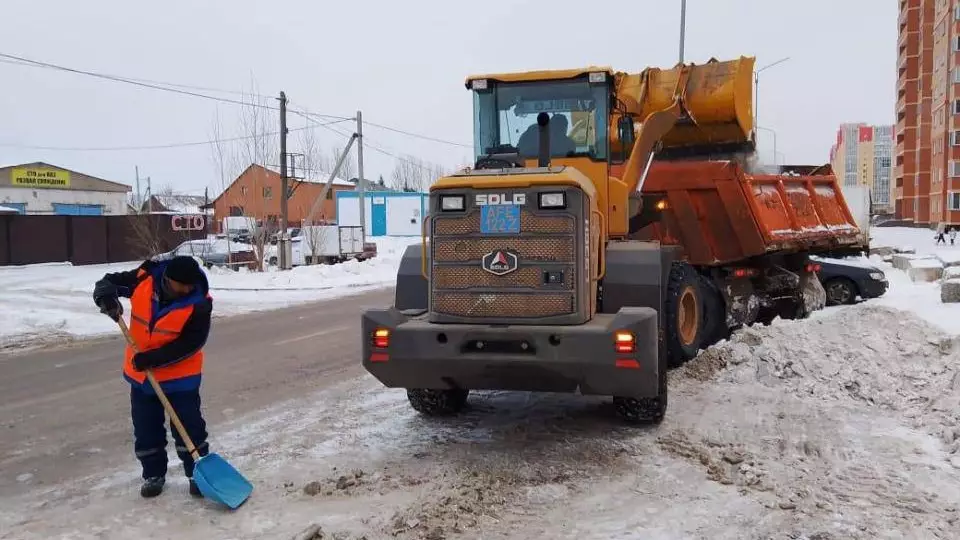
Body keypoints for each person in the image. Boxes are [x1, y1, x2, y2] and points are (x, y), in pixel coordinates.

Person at [92, 255, 213, 499]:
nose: (186, 290)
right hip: (142, 378)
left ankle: (197, 475)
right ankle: (153, 474)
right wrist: (106, 299)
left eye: (189, 286)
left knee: (189, 429)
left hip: (181, 378)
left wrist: (153, 359)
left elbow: (191, 343)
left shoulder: (199, 302)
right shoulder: (144, 279)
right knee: (146, 429)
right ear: (168, 279)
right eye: (182, 286)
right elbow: (106, 283)